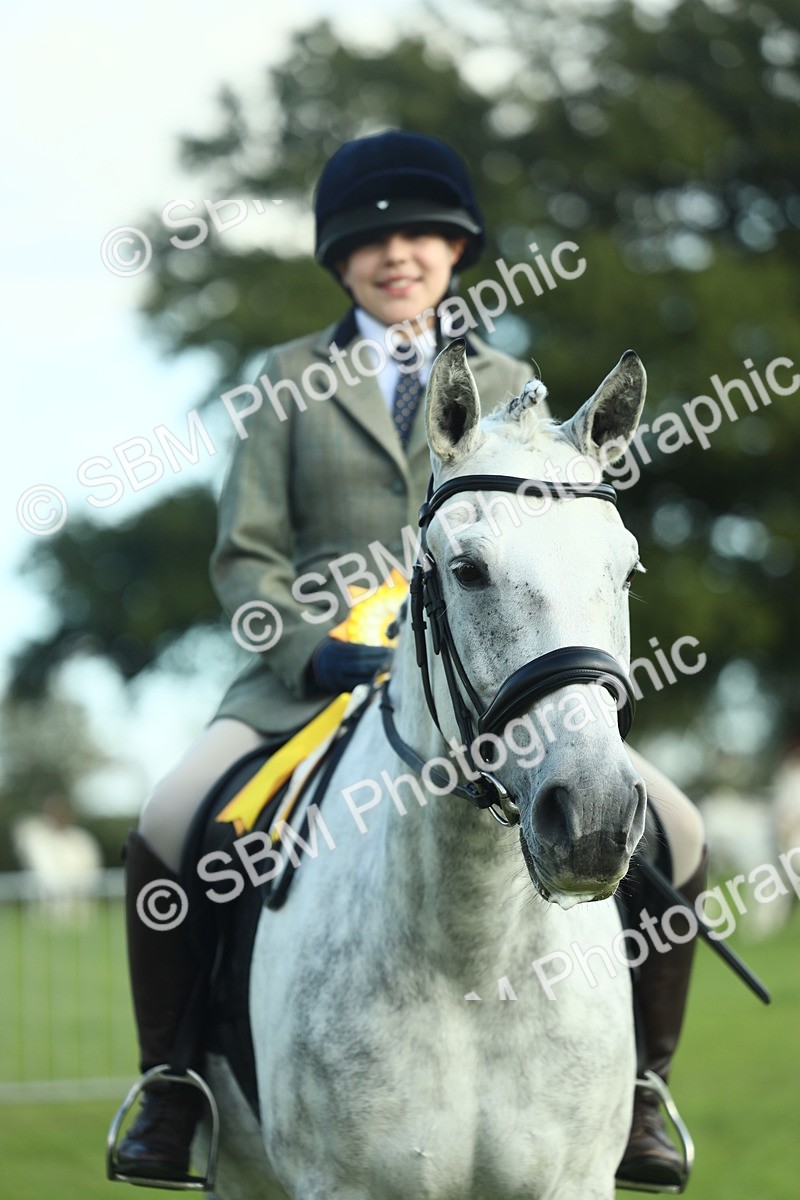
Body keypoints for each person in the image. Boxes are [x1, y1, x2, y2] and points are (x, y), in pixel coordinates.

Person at [114, 130, 706, 1191]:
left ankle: (642, 1091)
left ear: (456, 250)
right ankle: (174, 1086)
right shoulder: (285, 381)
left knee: (681, 826)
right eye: (370, 240)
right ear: (339, 259)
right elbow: (246, 557)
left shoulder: (515, 386)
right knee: (171, 816)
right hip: (307, 677)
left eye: (423, 235)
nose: (398, 253)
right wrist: (311, 651)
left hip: (482, 680)